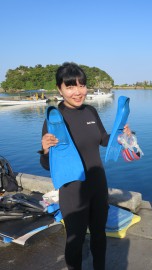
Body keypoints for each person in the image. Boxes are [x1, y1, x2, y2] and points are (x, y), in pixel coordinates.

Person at [39, 62, 131, 270]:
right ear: (59, 89)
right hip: (73, 192)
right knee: (75, 240)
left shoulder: (90, 111)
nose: (78, 92)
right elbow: (47, 165)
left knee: (99, 235)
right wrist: (45, 150)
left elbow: (103, 139)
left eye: (81, 85)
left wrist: (122, 135)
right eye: (70, 86)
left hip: (98, 186)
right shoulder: (54, 119)